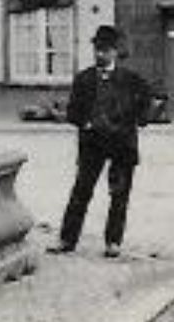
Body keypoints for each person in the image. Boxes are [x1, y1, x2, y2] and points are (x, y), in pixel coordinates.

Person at [48, 24, 157, 259]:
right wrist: (84, 123)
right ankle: (67, 239)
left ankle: (113, 242)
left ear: (115, 51)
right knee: (81, 191)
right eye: (97, 49)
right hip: (93, 144)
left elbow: (151, 102)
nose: (100, 54)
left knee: (119, 194)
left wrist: (139, 120)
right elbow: (73, 112)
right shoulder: (83, 79)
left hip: (122, 144)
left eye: (105, 50)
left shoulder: (131, 80)